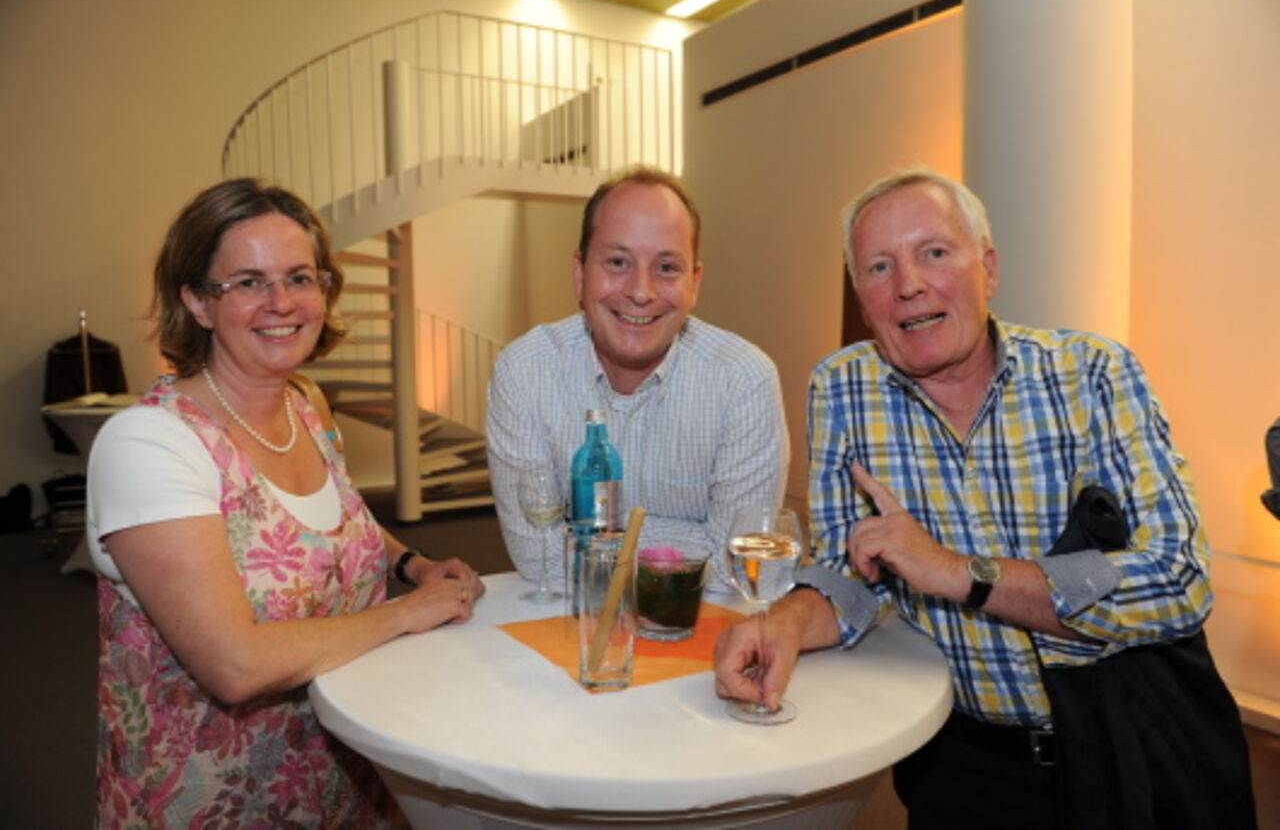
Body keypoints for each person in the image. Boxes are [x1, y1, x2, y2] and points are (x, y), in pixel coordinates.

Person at [714, 168, 1253, 828]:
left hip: (1137, 745)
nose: (909, 282)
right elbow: (852, 572)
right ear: (861, 295)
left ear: (988, 269)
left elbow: (1180, 578)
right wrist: (783, 625)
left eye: (934, 252)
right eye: (879, 266)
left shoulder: (1093, 373)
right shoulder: (842, 387)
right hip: (963, 766)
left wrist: (959, 572)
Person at [87, 178, 486, 828]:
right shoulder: (151, 444)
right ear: (197, 302)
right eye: (247, 281)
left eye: (300, 276)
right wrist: (409, 612)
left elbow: (334, 515)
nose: (281, 301)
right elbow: (235, 664)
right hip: (214, 800)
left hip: (347, 771)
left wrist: (410, 563)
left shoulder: (305, 403)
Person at [486, 166, 788, 590]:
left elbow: (739, 569)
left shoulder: (743, 380)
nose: (641, 291)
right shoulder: (524, 372)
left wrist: (590, 535)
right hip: (568, 636)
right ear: (579, 273)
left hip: (706, 641)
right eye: (617, 262)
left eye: (666, 267)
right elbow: (538, 559)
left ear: (694, 283)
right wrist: (698, 539)